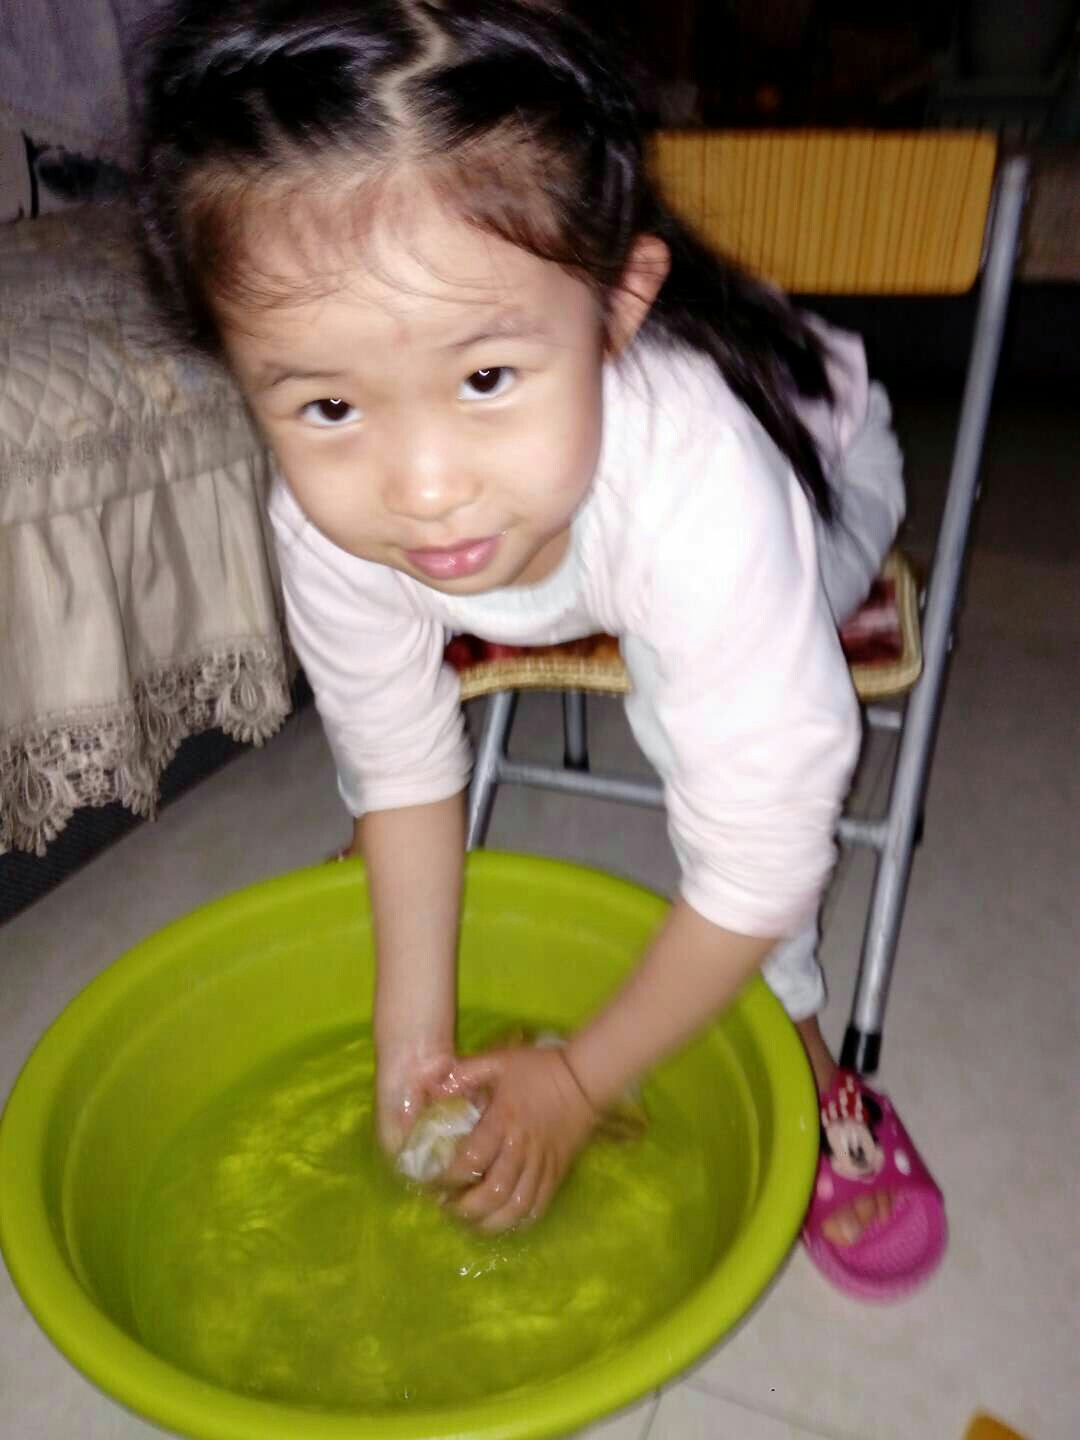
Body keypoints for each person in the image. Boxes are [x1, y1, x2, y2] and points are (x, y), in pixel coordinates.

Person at [138, 0, 946, 1298]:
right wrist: (413, 1047)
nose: (423, 491)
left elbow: (768, 842)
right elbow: (400, 766)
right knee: (599, 645)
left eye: (485, 379)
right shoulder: (327, 521)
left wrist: (581, 1078)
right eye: (329, 404)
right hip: (604, 524)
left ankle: (805, 1056)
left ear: (618, 310)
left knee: (717, 726)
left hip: (818, 469)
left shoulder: (695, 472)